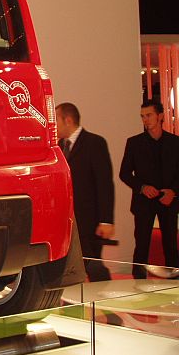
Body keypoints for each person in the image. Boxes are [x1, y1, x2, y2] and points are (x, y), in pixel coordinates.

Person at [119, 100, 179, 278]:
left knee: (171, 246)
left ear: (160, 116)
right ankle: (137, 284)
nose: (145, 120)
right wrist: (142, 187)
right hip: (143, 202)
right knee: (142, 246)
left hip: (168, 201)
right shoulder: (134, 143)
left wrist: (173, 192)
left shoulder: (175, 142)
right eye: (143, 116)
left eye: (149, 115)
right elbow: (124, 173)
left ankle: (175, 285)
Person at [56, 103, 114, 281]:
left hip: (89, 220)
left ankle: (106, 302)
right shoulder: (58, 147)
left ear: (68, 120)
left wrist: (106, 220)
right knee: (69, 266)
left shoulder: (95, 143)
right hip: (66, 220)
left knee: (93, 264)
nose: (54, 125)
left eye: (56, 120)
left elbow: (104, 184)